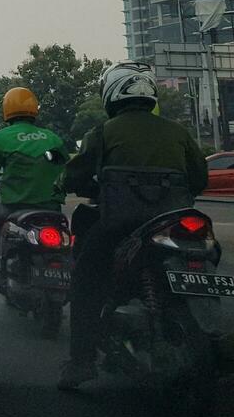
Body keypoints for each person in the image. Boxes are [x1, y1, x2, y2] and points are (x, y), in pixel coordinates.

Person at [57, 62, 208, 390]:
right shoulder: (177, 131)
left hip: (120, 227)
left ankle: (81, 362)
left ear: (111, 94)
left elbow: (75, 176)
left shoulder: (102, 132)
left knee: (84, 281)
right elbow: (200, 178)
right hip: (175, 224)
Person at [0, 87, 67, 264]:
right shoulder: (53, 138)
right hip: (52, 208)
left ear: (7, 110)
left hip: (15, 207)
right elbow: (64, 168)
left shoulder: (0, 139)